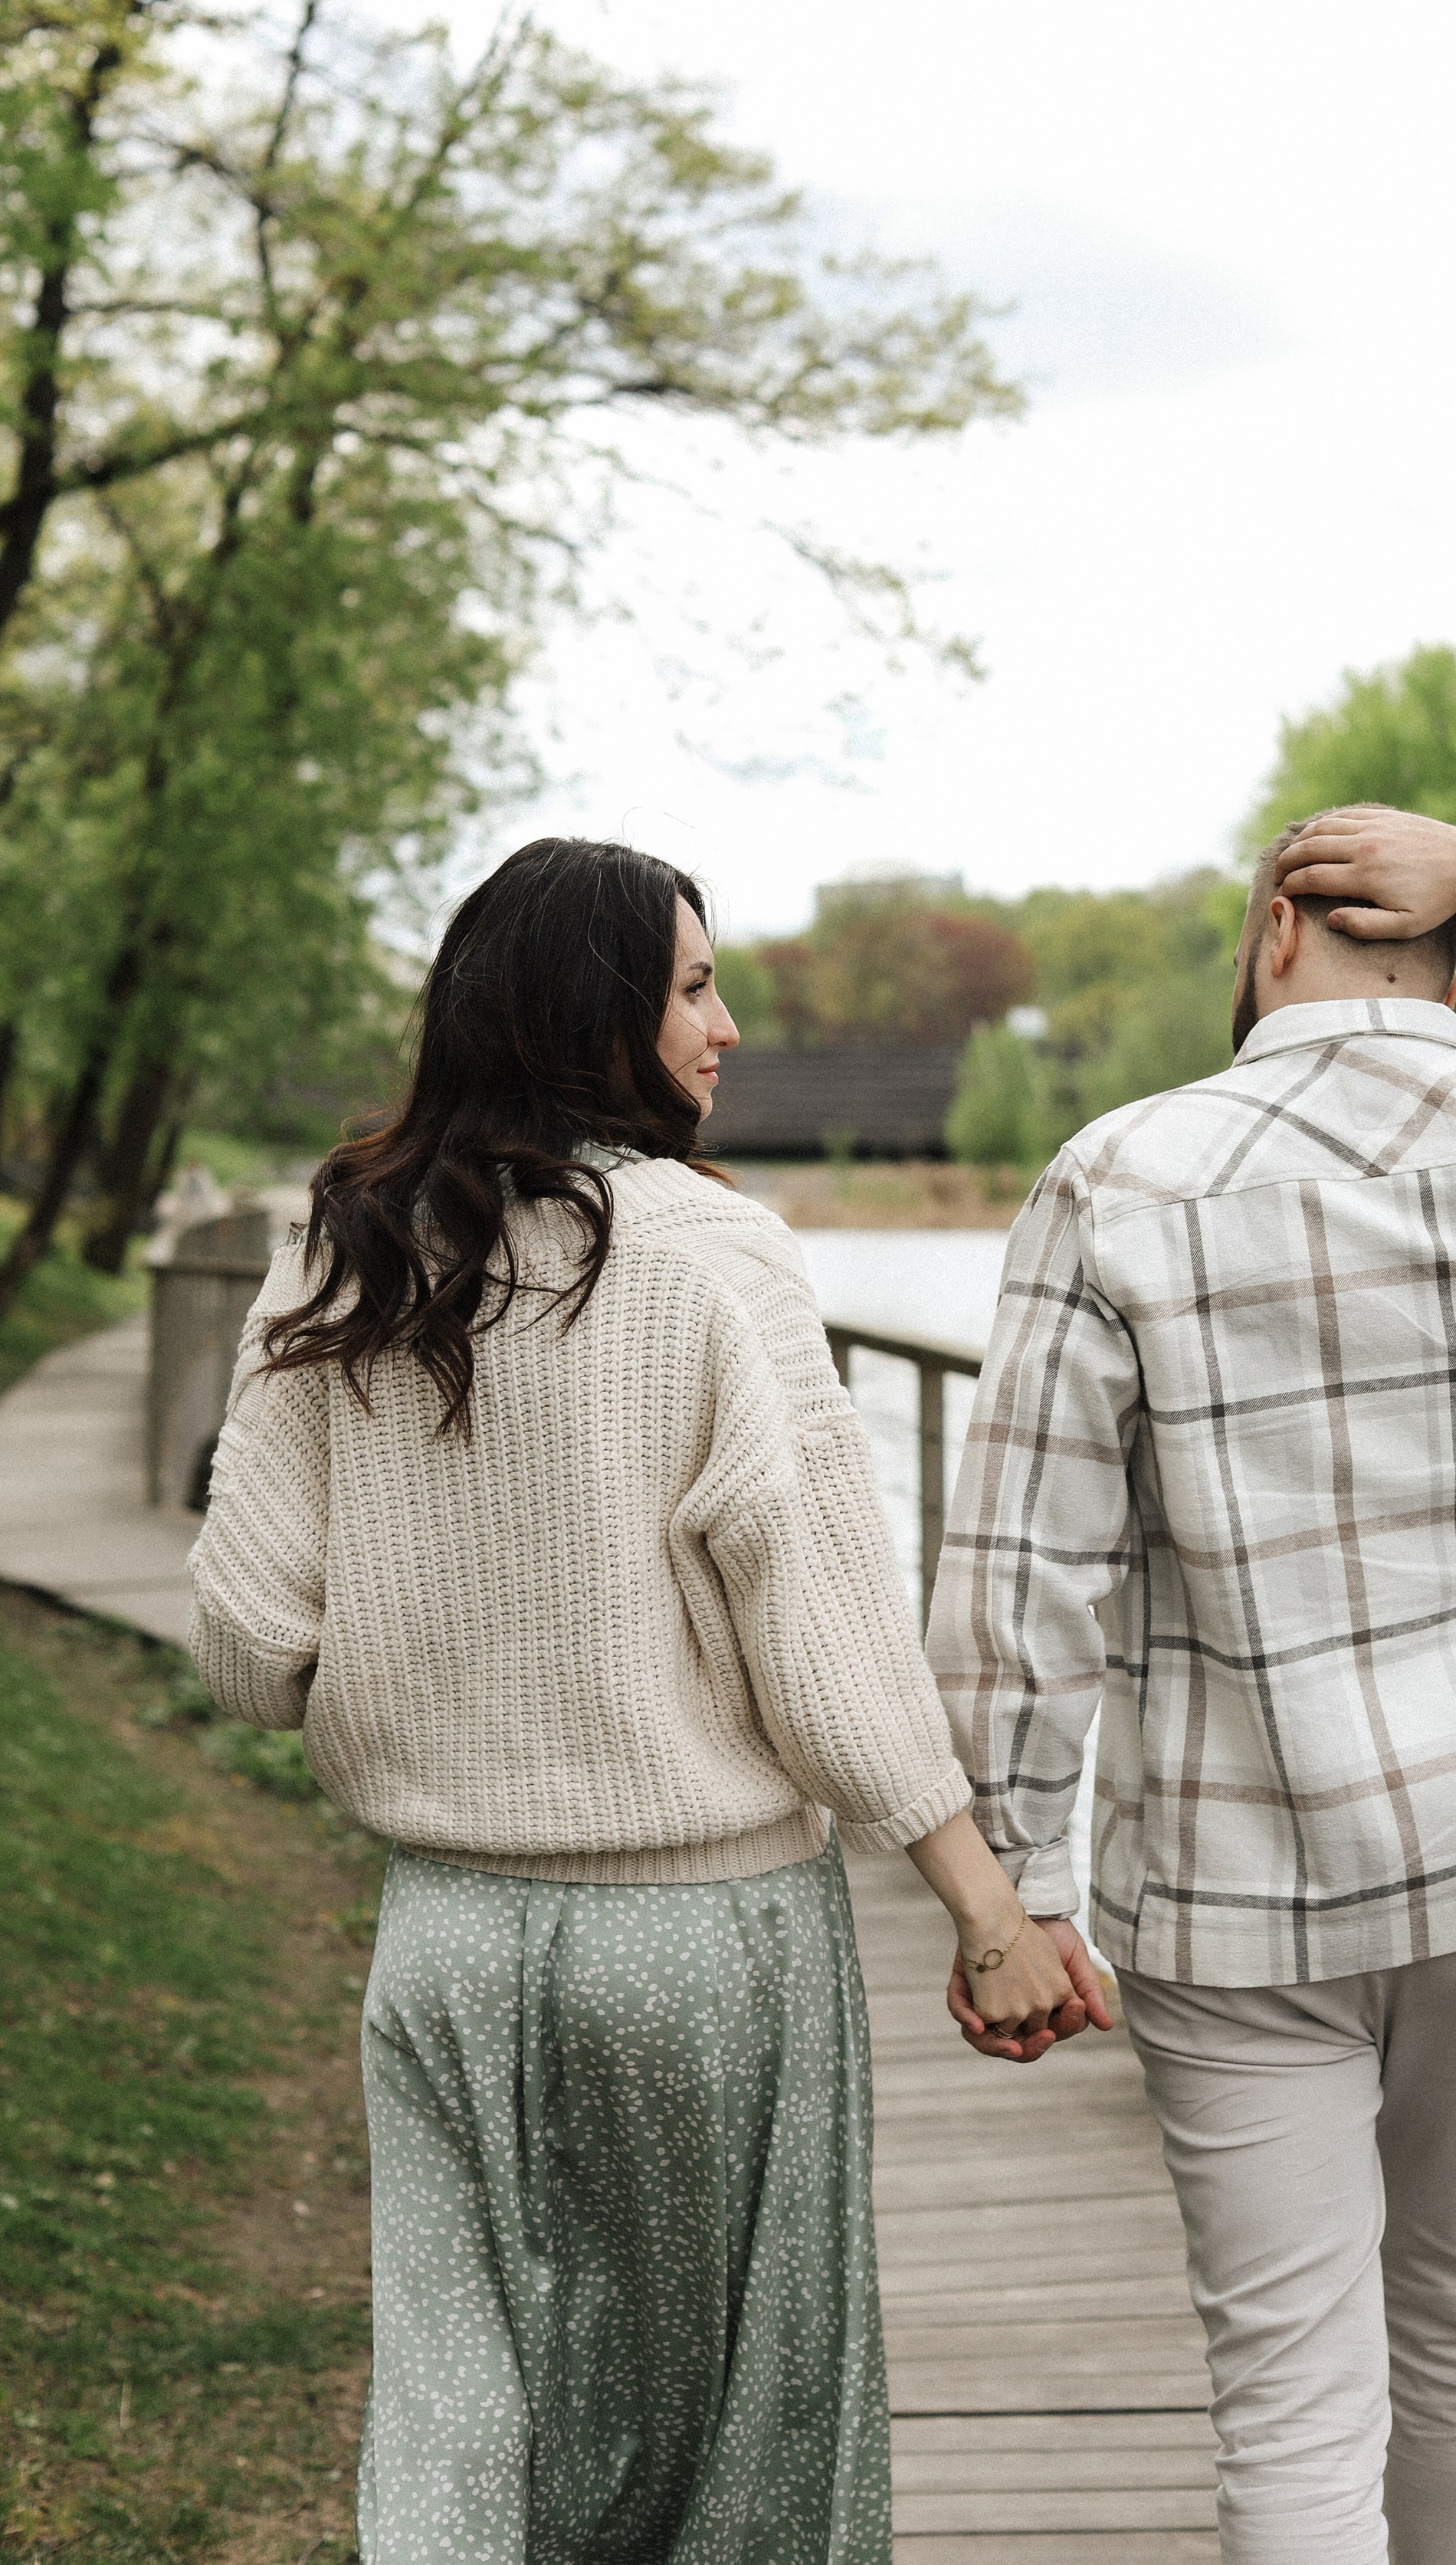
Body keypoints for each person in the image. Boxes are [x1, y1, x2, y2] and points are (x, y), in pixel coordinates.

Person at [186, 835, 1100, 2565]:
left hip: (447, 1939)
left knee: (459, 2423)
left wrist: (425, 1663)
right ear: (592, 1014)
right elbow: (821, 1639)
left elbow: (245, 1647)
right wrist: (987, 1913)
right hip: (700, 1945)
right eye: (691, 986)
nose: (729, 1025)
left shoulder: (343, 1244)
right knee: (743, 2460)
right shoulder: (708, 1257)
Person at [926, 802, 1456, 2565]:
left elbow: (1021, 1581)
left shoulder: (1117, 1175)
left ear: (1272, 943)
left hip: (1230, 1891)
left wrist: (1013, 1887)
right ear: (1451, 943)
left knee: (1289, 2396)